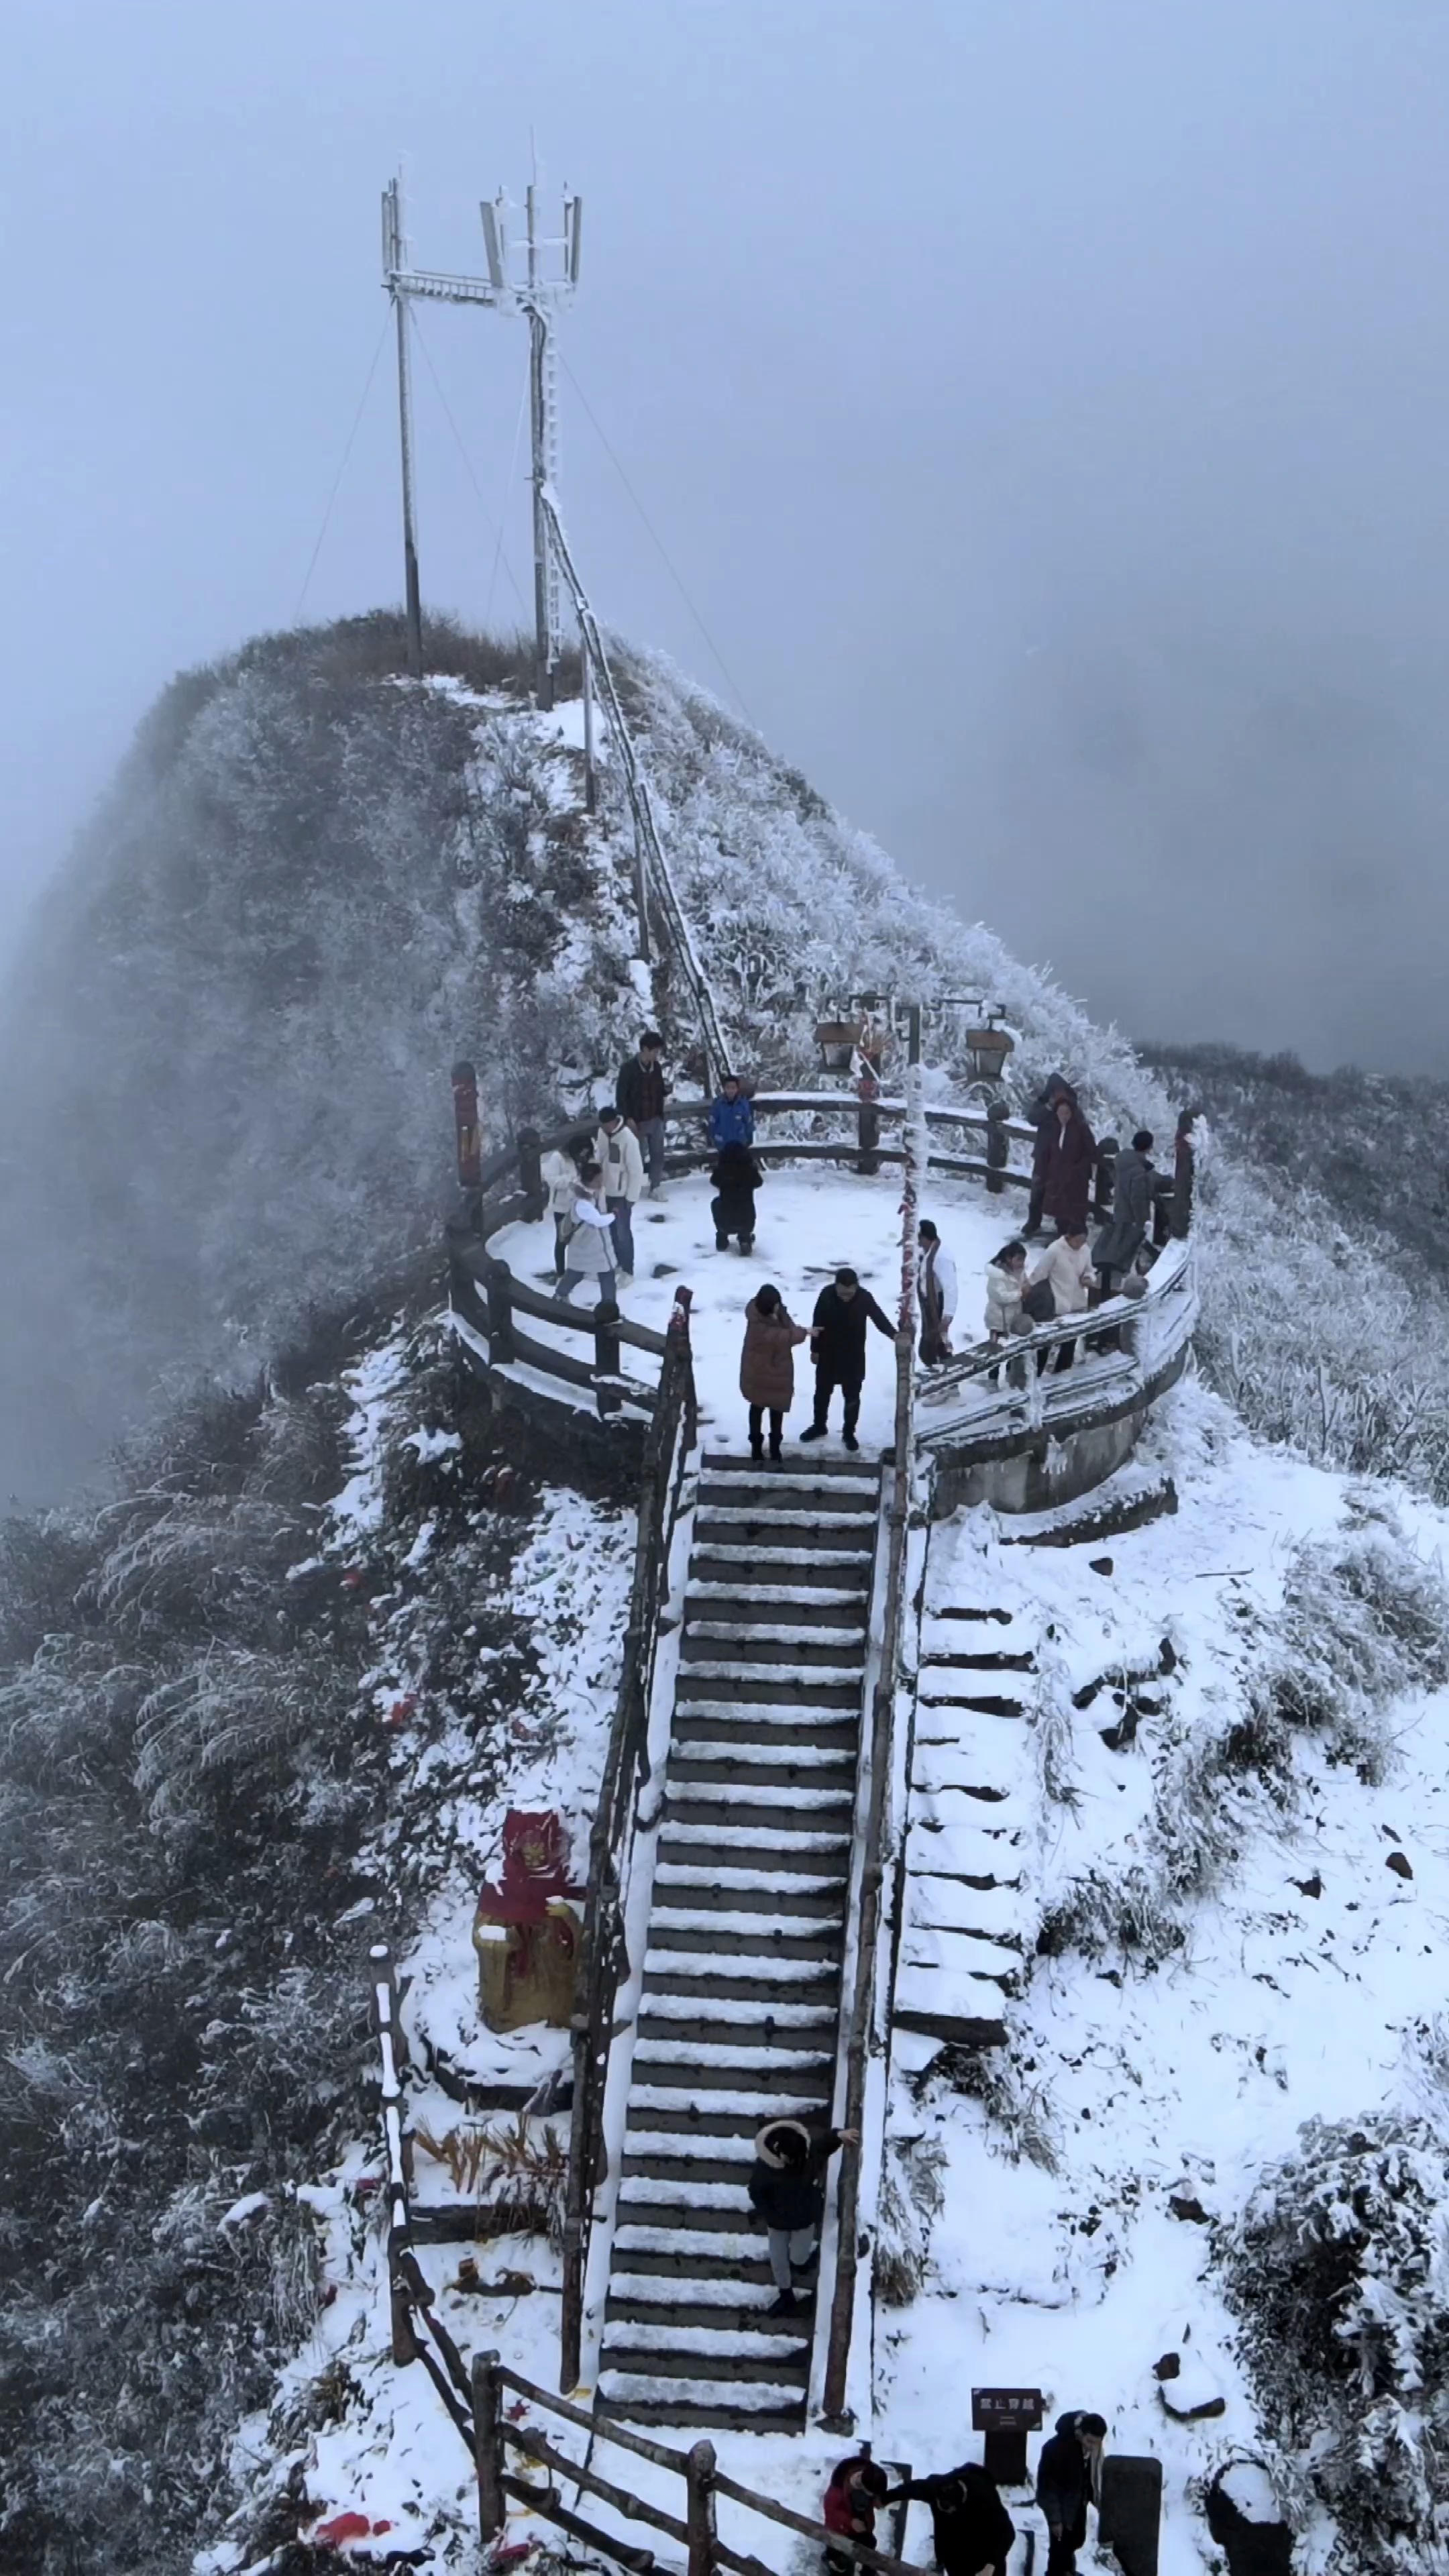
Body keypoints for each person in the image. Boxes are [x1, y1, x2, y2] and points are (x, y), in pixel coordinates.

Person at [747, 2118, 858, 2314]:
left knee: (798, 2257)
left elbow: (823, 2146)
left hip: (804, 2219)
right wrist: (770, 2214)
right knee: (778, 2261)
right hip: (777, 2224)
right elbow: (756, 2194)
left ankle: (803, 2262)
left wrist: (838, 2136)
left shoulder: (806, 2154)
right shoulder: (765, 2171)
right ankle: (786, 2295)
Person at [802, 1269, 898, 1452]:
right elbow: (818, 1323)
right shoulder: (827, 1295)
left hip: (853, 1357)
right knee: (822, 1395)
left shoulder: (864, 1298)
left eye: (850, 1292)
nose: (846, 1297)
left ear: (857, 1287)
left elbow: (879, 1319)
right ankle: (819, 1426)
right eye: (842, 1293)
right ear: (836, 1286)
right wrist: (814, 1349)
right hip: (828, 1354)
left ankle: (849, 1433)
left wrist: (894, 1335)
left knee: (852, 1398)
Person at [884, 2463, 1016, 2576]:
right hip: (955, 2555)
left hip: (986, 2553)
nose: (948, 2513)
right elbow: (914, 2489)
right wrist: (887, 2497)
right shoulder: (935, 2488)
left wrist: (991, 2564)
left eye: (950, 2510)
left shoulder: (985, 2497)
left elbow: (1007, 2533)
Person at [739, 1284, 809, 1461]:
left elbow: (790, 1330)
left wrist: (799, 1331)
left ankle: (774, 1447)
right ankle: (757, 1448)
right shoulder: (758, 1326)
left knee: (772, 1410)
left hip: (775, 1372)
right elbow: (786, 1336)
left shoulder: (777, 1314)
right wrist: (805, 1332)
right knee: (759, 1408)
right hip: (760, 1373)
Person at [1036, 2411, 1106, 2575]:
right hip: (1059, 2506)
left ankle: (1068, 2571)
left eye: (1096, 2443)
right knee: (1059, 2548)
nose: (1092, 2447)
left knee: (1074, 2541)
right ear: (1080, 2433)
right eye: (1089, 2441)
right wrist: (1055, 2519)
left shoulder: (1090, 2451)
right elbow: (1047, 2487)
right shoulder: (1055, 2449)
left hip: (1077, 2503)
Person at [1092, 1128, 1155, 1297]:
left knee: (1115, 1250)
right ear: (1149, 1148)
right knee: (1127, 1254)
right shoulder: (1139, 1172)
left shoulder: (1121, 1161)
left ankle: (1105, 1285)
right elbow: (1138, 1199)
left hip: (1119, 1210)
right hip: (1131, 1218)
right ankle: (1121, 1290)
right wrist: (1142, 1221)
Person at [555, 1162, 617, 1306]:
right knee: (591, 1273)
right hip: (588, 1244)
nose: (601, 1182)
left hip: (595, 1243)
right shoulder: (581, 1202)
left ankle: (561, 1295)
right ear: (589, 1181)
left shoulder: (595, 1192)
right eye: (598, 1180)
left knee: (583, 1272)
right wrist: (614, 1215)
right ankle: (609, 1307)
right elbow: (598, 1221)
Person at [616, 1030, 670, 1197]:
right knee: (636, 1157)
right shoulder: (628, 1069)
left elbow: (660, 1090)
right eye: (654, 1051)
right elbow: (621, 1096)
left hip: (655, 1117)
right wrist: (627, 1118)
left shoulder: (657, 1068)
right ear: (645, 1049)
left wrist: (666, 1091)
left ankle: (656, 1186)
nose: (656, 1055)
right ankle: (633, 1187)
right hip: (636, 1120)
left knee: (658, 1154)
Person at [594, 1106, 645, 1279]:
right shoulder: (601, 1134)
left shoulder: (628, 1139)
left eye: (609, 1124)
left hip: (622, 1195)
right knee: (611, 1232)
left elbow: (636, 1170)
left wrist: (631, 1197)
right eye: (604, 1125)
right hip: (605, 1191)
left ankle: (628, 1270)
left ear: (615, 1121)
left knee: (623, 1234)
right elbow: (599, 1157)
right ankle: (617, 1263)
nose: (607, 1127)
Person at [1039, 1089, 1097, 1238]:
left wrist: (1078, 1169)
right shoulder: (1054, 1128)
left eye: (1067, 1113)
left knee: (1075, 1210)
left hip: (1075, 1177)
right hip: (1057, 1174)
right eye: (1061, 1112)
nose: (1063, 1116)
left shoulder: (1081, 1128)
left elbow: (1090, 1151)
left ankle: (1078, 1239)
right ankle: (1062, 1237)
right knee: (1060, 1210)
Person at [822, 2459, 890, 2575]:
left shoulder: (869, 2476)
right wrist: (850, 2522)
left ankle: (866, 2570)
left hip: (860, 2523)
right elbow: (831, 2511)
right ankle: (833, 2562)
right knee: (836, 2549)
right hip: (839, 2529)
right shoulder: (838, 2490)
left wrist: (876, 2500)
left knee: (869, 2542)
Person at [1024, 1073, 1072, 1238]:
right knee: (1038, 1188)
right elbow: (1032, 1118)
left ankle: (1062, 1226)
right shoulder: (1044, 1106)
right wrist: (1046, 1106)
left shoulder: (1071, 1108)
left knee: (1061, 1192)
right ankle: (1034, 1221)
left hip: (1063, 1159)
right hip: (1043, 1156)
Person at [540, 1131, 590, 1279]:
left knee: (581, 1239)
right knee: (562, 1240)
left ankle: (579, 1269)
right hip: (562, 1206)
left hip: (580, 1205)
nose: (584, 1155)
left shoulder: (583, 1159)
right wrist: (572, 1180)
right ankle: (561, 1272)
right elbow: (552, 1180)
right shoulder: (558, 1158)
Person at [711, 1140, 765, 1252]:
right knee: (747, 1207)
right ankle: (745, 1237)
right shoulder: (749, 1170)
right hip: (746, 1219)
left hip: (726, 1218)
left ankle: (722, 1235)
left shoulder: (722, 1171)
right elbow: (759, 1183)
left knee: (715, 1203)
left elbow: (713, 1181)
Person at [918, 1220, 958, 1364]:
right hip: (929, 1303)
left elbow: (950, 1288)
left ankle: (946, 1377)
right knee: (935, 1344)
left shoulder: (942, 1257)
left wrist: (947, 1316)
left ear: (924, 1238)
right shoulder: (928, 1251)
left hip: (937, 1305)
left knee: (933, 1347)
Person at [985, 1240, 1031, 1341]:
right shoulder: (996, 1275)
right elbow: (1001, 1296)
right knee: (999, 1350)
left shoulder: (1020, 1271)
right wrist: (1020, 1294)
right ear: (1009, 1259)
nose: (1021, 1263)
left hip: (1014, 1318)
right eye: (1019, 1260)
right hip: (999, 1320)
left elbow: (1024, 1283)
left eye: (1023, 1260)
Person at [708, 1072, 755, 1152]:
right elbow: (712, 1123)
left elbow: (748, 1122)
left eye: (733, 1088)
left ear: (737, 1089)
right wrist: (713, 1138)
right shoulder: (718, 1104)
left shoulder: (743, 1104)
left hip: (739, 1143)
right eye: (728, 1088)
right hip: (723, 1144)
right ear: (724, 1089)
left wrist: (749, 1138)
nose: (731, 1091)